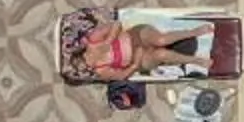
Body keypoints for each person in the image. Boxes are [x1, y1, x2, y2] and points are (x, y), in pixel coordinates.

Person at [68, 12, 215, 80]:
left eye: (85, 60)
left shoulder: (94, 40)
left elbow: (116, 24)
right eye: (87, 67)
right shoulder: (101, 69)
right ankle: (195, 61)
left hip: (136, 36)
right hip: (139, 59)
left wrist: (108, 41)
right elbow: (121, 76)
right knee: (161, 54)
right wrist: (134, 64)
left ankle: (193, 31)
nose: (89, 64)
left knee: (161, 41)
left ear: (83, 53)